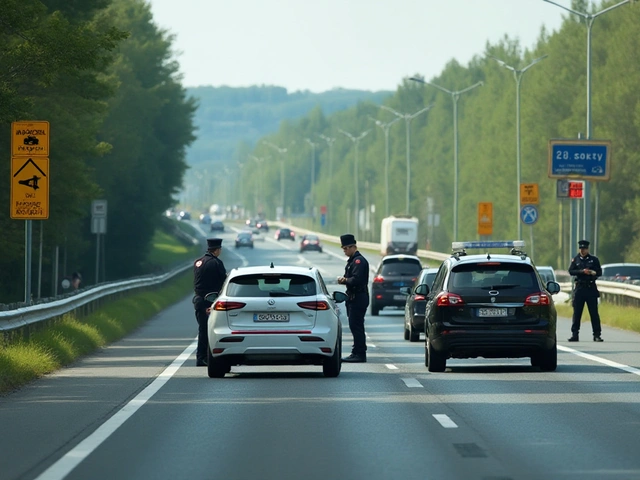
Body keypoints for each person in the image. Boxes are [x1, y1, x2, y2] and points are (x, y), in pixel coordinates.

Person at [193, 238, 227, 366]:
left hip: (198, 300)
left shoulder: (198, 262)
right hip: (210, 301)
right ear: (217, 250)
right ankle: (205, 357)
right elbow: (222, 283)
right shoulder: (216, 263)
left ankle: (200, 357)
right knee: (210, 330)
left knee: (202, 329)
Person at [337, 233, 370, 363]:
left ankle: (359, 353)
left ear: (353, 247)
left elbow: (357, 280)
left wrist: (345, 280)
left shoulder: (358, 261)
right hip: (353, 297)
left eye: (346, 248)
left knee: (356, 326)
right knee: (354, 326)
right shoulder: (352, 260)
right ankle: (357, 351)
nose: (344, 251)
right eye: (343, 249)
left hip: (359, 297)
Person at [568, 239, 603, 342]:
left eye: (584, 249)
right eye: (581, 249)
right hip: (579, 288)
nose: (583, 250)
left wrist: (592, 272)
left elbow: (599, 272)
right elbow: (571, 271)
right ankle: (575, 334)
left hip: (590, 288)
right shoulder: (576, 260)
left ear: (588, 249)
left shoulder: (594, 260)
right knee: (577, 312)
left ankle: (596, 334)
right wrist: (582, 271)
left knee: (594, 313)